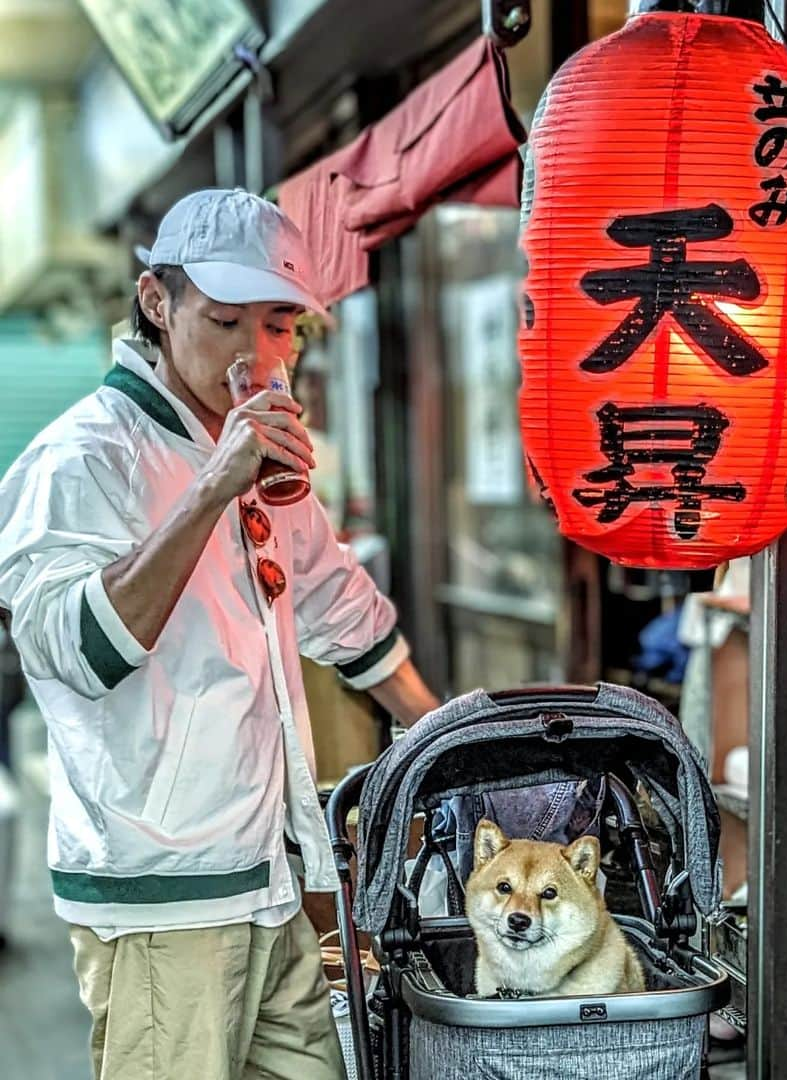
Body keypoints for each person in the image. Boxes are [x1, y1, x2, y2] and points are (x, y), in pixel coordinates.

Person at [0, 188, 441, 1080]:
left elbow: (338, 603)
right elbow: (75, 650)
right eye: (227, 319)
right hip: (164, 897)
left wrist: (448, 742)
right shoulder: (81, 457)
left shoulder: (262, 462)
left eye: (280, 326)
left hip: (276, 880)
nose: (257, 353)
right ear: (158, 304)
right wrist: (210, 486)